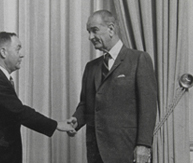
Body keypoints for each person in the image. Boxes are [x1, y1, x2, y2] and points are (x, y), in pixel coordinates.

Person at [0, 32, 75, 163]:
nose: (21, 54)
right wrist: (57, 125)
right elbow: (18, 111)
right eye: (18, 49)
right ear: (3, 52)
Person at [67, 10, 157, 163]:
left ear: (111, 29)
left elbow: (148, 107)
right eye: (88, 32)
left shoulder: (138, 59)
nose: (90, 37)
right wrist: (76, 120)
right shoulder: (91, 67)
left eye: (94, 30)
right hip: (96, 151)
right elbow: (85, 104)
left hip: (127, 151)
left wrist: (144, 145)